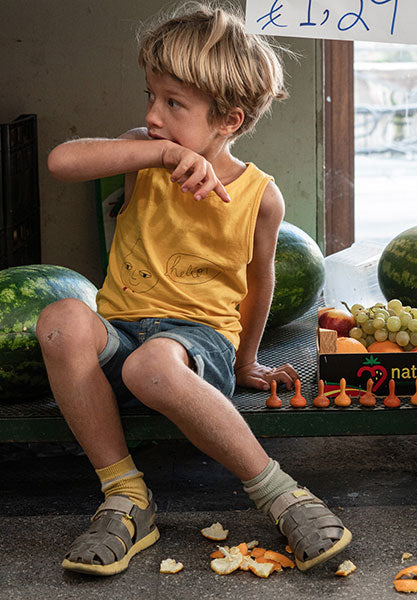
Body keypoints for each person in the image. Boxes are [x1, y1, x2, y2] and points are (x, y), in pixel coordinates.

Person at [37, 2, 351, 576]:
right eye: (150, 96)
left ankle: (282, 494)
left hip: (196, 347)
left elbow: (261, 284)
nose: (154, 115)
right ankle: (126, 497)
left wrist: (248, 361)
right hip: (120, 338)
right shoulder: (145, 154)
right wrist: (157, 150)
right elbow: (61, 160)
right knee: (61, 318)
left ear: (229, 119)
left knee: (154, 365)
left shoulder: (261, 196)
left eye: (174, 104)